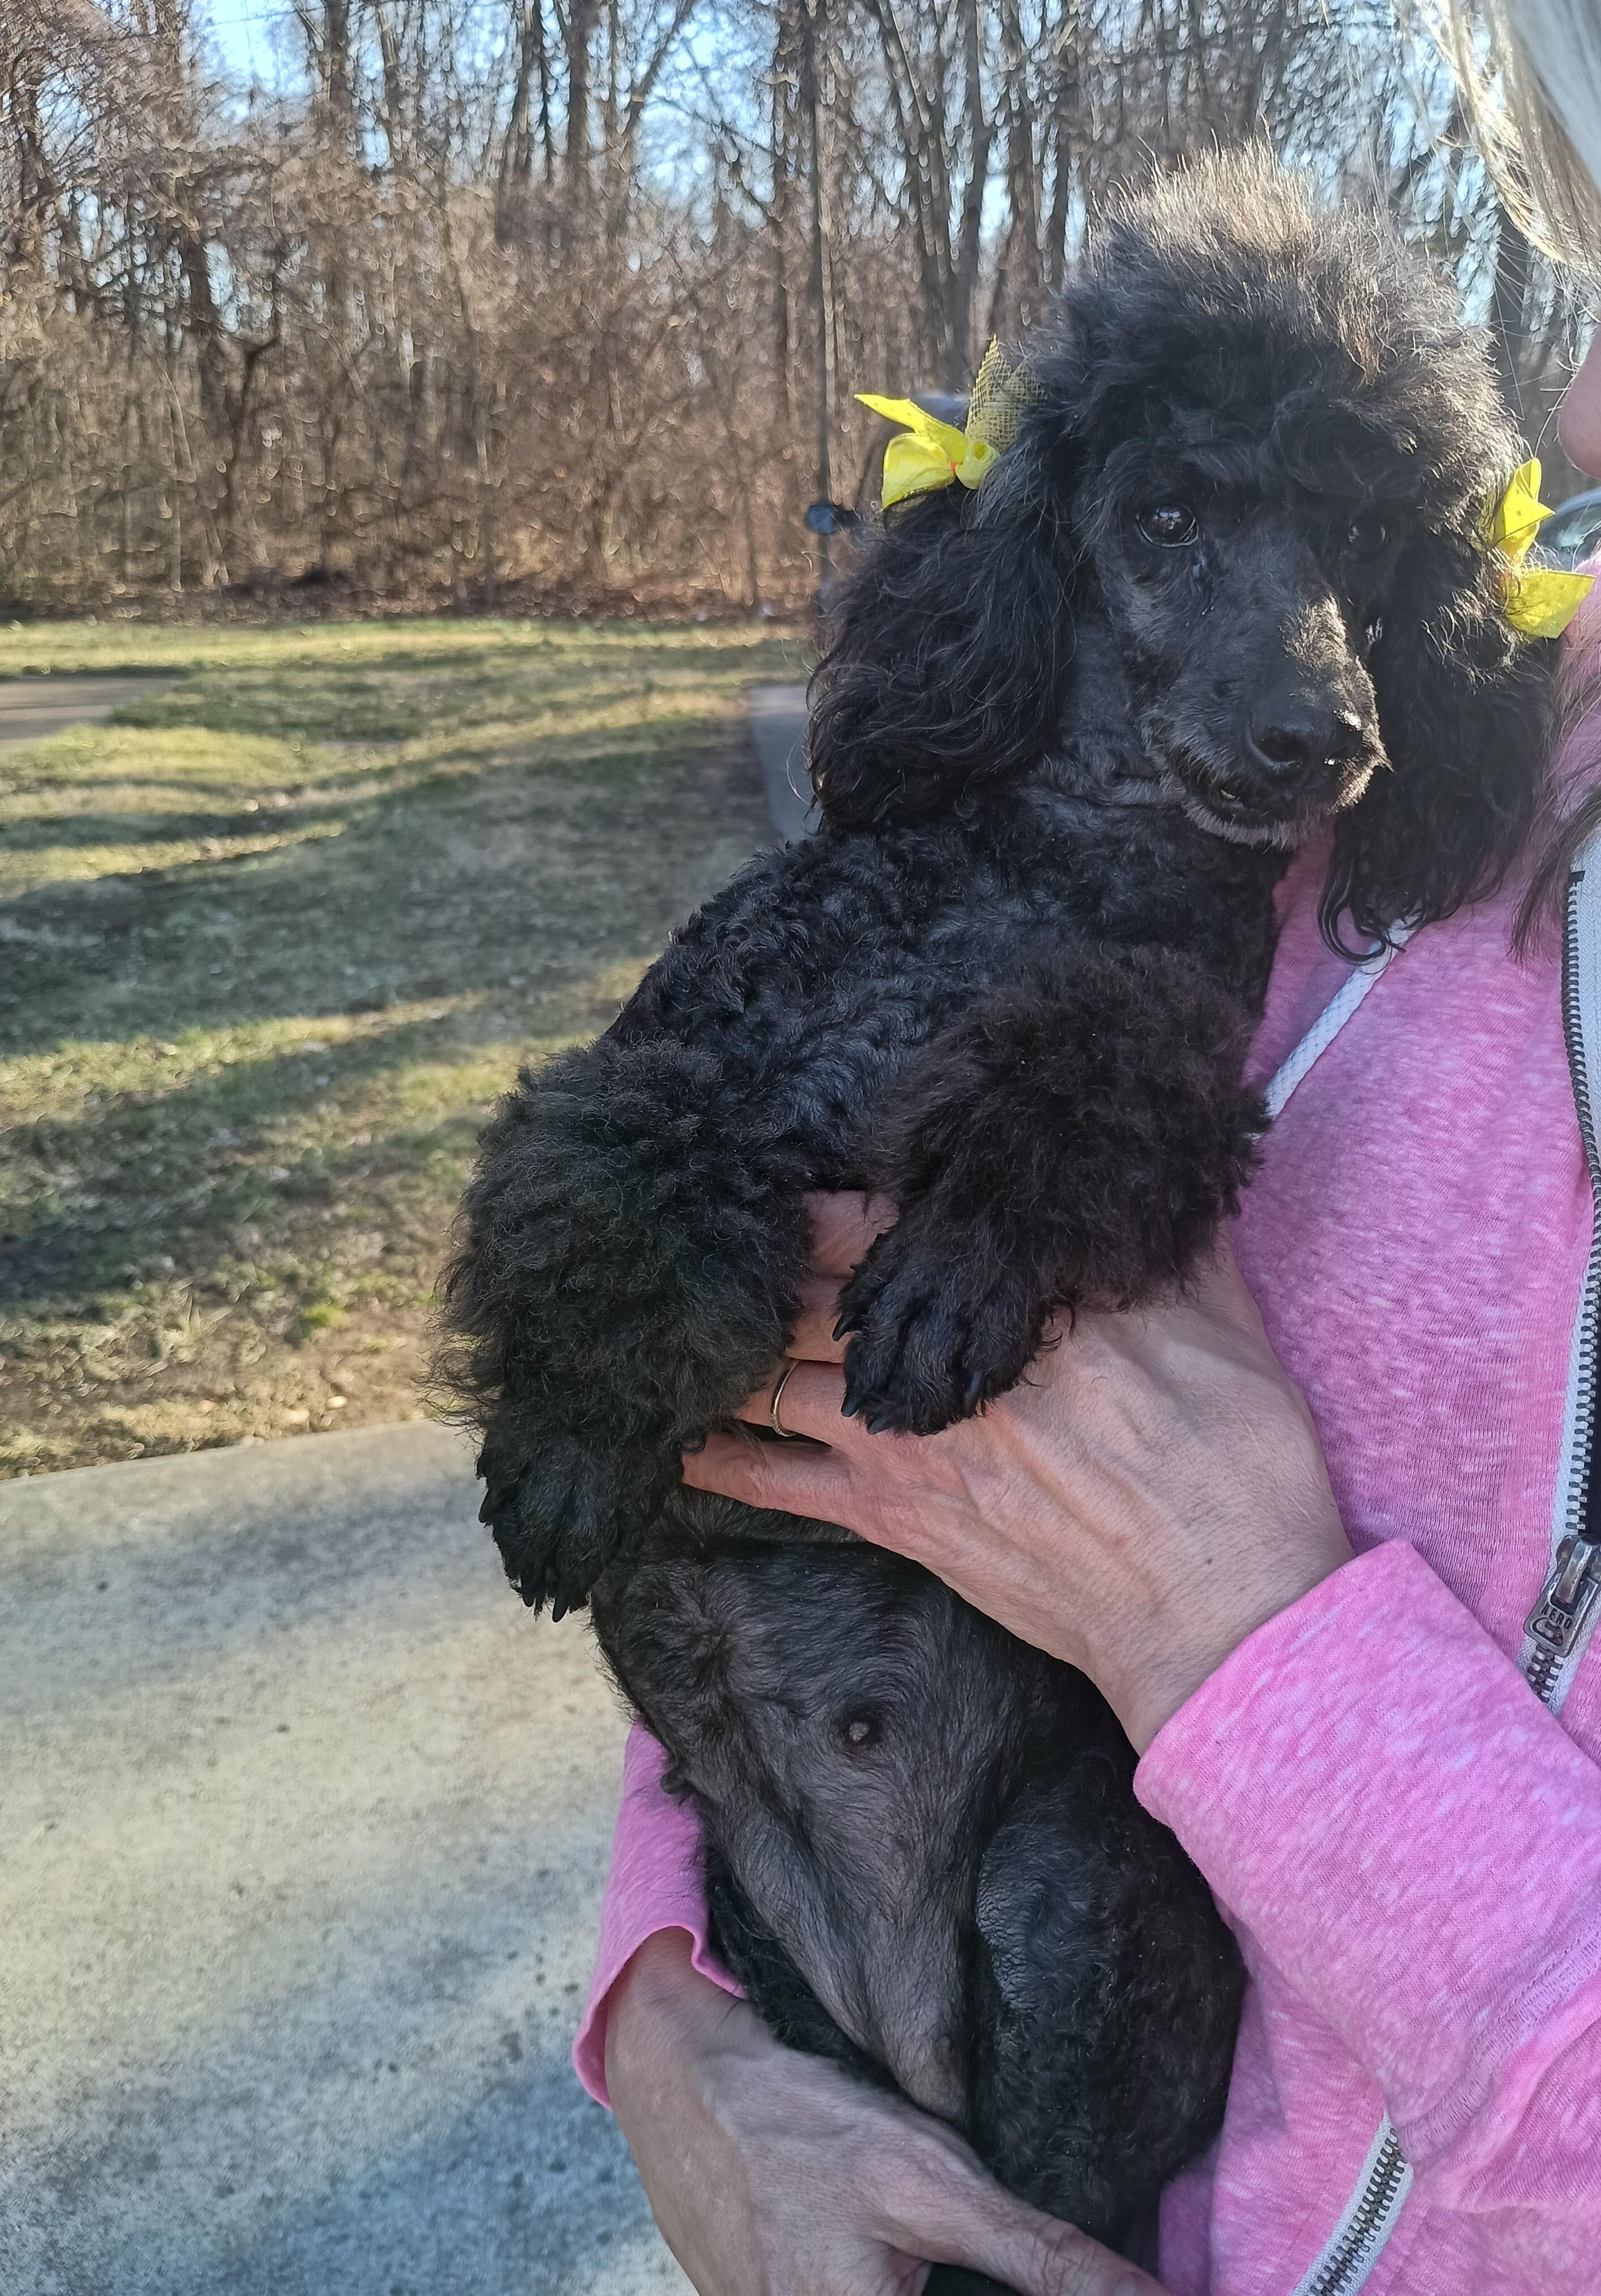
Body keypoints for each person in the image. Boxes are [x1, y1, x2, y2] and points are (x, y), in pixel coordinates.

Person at [573, 9, 1601, 2290]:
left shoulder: (1392, 717)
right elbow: (830, 1465)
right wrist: (688, 2042)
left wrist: (1234, 1637)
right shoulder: (1266, 808)